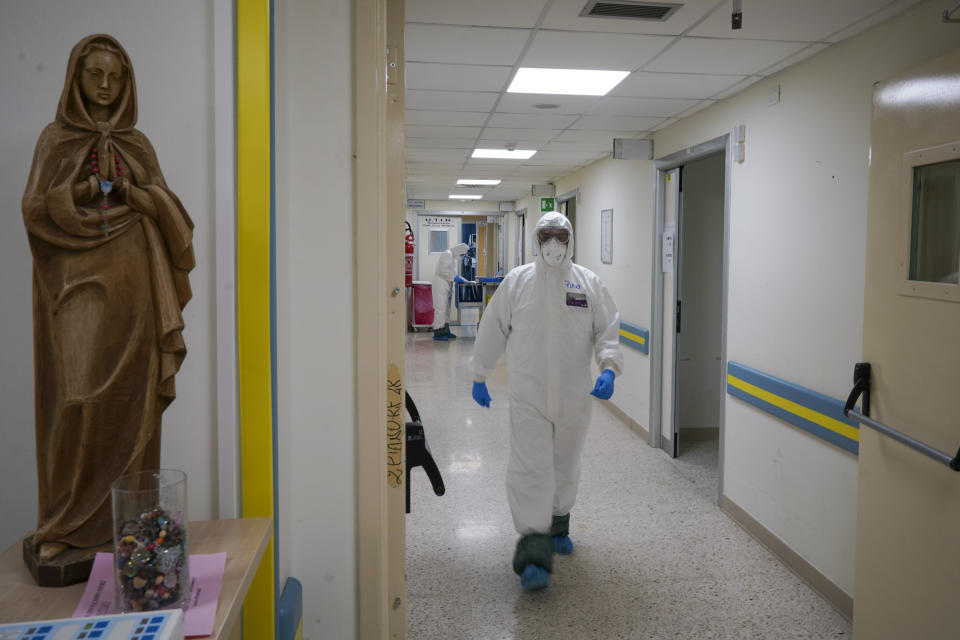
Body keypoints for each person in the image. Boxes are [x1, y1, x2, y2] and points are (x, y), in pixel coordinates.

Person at [21, 34, 194, 565]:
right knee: (76, 401)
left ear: (126, 83)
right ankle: (66, 523)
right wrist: (80, 191)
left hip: (136, 287)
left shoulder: (137, 144)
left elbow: (171, 214)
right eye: (94, 74)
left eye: (114, 76)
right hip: (75, 290)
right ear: (76, 77)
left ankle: (133, 523)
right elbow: (35, 211)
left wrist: (135, 192)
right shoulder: (56, 139)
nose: (103, 85)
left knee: (133, 402)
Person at [470, 211, 622, 590]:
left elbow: (608, 329)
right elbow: (493, 327)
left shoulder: (588, 283)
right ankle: (533, 550)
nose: (553, 243)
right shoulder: (517, 282)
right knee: (530, 469)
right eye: (546, 236)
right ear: (536, 240)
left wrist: (608, 367)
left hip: (574, 397)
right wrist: (479, 373)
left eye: (560, 235)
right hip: (528, 397)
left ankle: (558, 525)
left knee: (566, 464)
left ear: (570, 239)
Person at [431, 242, 470, 341]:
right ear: (458, 251)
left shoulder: (453, 258)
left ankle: (445, 331)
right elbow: (443, 271)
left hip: (447, 285)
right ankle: (438, 332)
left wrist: (462, 279)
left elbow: (453, 272)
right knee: (440, 309)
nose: (462, 256)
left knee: (446, 309)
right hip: (440, 285)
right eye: (462, 254)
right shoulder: (447, 254)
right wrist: (456, 278)